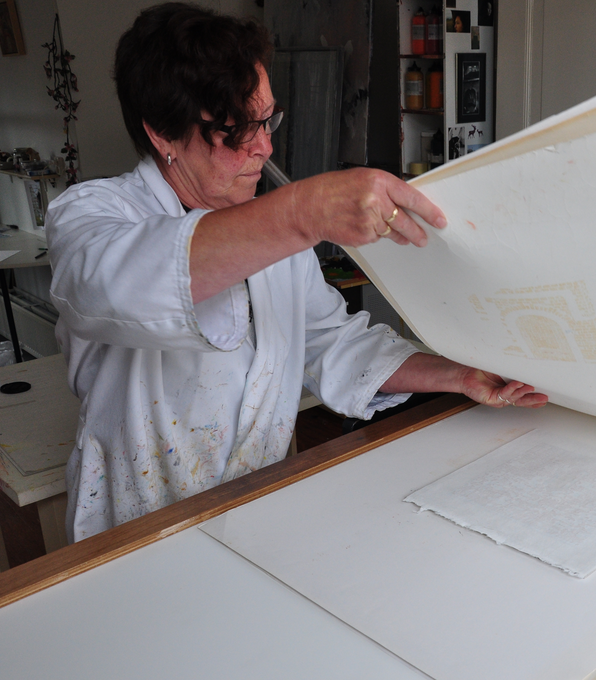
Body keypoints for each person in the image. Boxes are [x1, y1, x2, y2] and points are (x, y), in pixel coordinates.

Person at [46, 3, 546, 543]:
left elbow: (330, 341)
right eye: (236, 130)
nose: (263, 147)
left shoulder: (271, 234)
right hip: (136, 527)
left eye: (267, 120)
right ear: (162, 134)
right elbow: (112, 287)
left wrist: (457, 375)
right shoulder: (92, 214)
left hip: (257, 508)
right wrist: (301, 213)